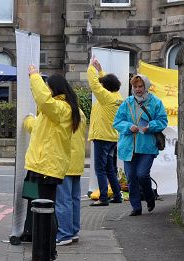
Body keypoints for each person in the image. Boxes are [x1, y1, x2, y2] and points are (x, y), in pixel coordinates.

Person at [24, 65, 81, 261]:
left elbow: (43, 99)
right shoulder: (55, 110)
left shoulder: (61, 108)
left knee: (45, 215)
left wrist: (34, 76)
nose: (46, 90)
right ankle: (45, 255)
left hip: (47, 168)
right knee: (40, 212)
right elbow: (40, 127)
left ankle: (47, 256)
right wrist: (27, 121)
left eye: (48, 87)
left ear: (55, 89)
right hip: (40, 166)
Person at [113, 74, 167, 216]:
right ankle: (136, 207)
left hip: (147, 146)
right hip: (128, 147)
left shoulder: (156, 102)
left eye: (140, 86)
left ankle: (150, 198)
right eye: (135, 86)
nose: (137, 89)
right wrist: (129, 126)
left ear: (146, 86)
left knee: (142, 175)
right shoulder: (127, 103)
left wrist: (151, 126)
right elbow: (117, 122)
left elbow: (163, 121)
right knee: (131, 177)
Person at [87, 56, 124, 206]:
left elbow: (95, 85)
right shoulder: (116, 96)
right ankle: (117, 195)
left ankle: (103, 198)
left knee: (100, 169)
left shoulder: (106, 98)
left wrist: (91, 67)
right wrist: (100, 70)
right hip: (112, 138)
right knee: (110, 168)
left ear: (106, 88)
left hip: (102, 137)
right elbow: (105, 84)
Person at [55, 109, 87, 245]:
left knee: (63, 200)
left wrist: (28, 120)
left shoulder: (61, 110)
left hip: (65, 160)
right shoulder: (80, 112)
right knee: (74, 199)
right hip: (77, 161)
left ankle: (64, 234)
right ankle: (73, 231)